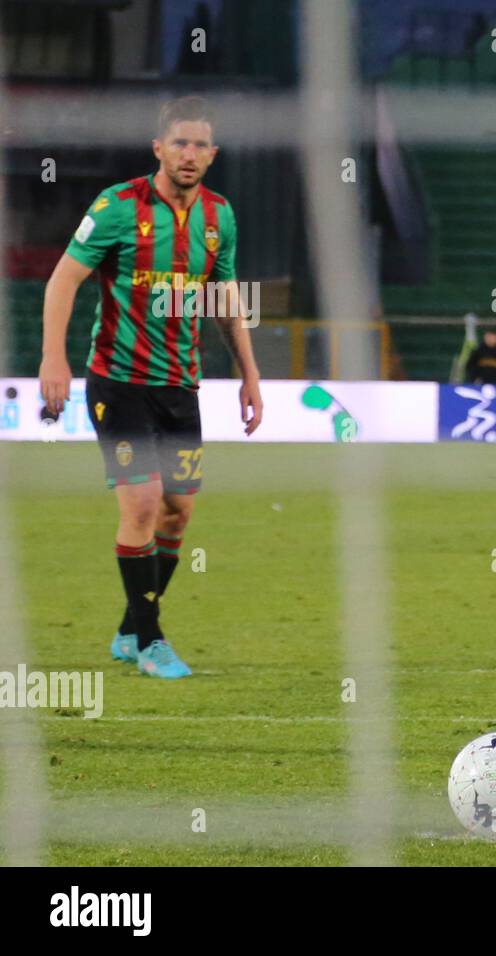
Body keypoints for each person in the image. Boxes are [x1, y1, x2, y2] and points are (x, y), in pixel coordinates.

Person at [39, 95, 263, 679]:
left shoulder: (220, 218)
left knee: (177, 512)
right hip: (118, 382)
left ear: (213, 155)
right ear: (158, 148)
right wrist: (53, 359)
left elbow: (224, 299)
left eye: (200, 145)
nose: (189, 154)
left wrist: (250, 374)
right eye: (179, 143)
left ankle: (130, 625)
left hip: (179, 387)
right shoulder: (116, 207)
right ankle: (151, 639)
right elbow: (64, 280)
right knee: (140, 503)